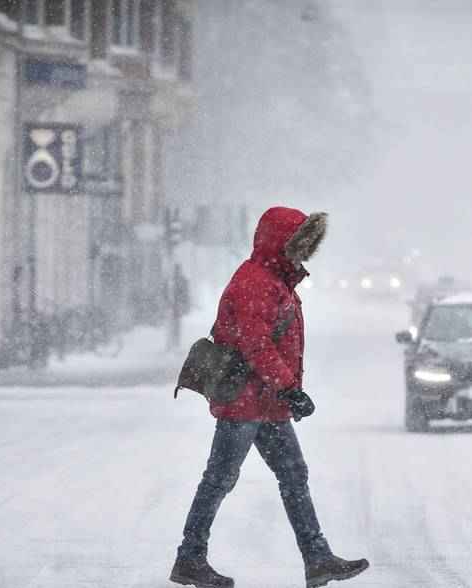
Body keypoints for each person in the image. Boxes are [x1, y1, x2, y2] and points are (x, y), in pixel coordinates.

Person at [170, 207, 369, 588]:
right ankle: (190, 558)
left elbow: (267, 343)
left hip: (266, 403)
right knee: (220, 478)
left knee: (293, 474)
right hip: (245, 402)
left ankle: (317, 558)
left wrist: (284, 391)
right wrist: (289, 388)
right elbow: (256, 343)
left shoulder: (276, 282)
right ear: (279, 243)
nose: (300, 254)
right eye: (297, 245)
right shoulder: (255, 282)